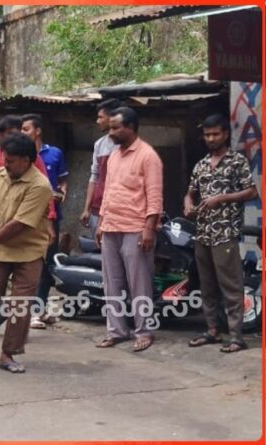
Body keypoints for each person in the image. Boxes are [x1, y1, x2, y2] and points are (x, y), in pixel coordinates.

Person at [0, 133, 52, 373]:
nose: (5, 164)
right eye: (5, 159)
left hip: (28, 252)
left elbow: (19, 224)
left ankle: (8, 354)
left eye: (11, 160)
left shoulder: (40, 185)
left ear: (26, 160)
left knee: (19, 305)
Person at [185, 114, 258, 353]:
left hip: (225, 233)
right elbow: (190, 191)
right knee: (207, 286)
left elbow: (251, 192)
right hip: (203, 232)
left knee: (231, 286)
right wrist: (188, 203)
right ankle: (213, 330)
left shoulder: (236, 161)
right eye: (207, 135)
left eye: (215, 134)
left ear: (225, 134)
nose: (211, 138)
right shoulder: (202, 164)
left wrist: (222, 198)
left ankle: (237, 336)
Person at [95, 107, 162, 352]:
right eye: (110, 127)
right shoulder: (114, 156)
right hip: (111, 225)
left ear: (131, 127)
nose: (110, 132)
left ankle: (144, 331)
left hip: (135, 227)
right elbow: (108, 191)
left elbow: (154, 196)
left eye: (115, 128)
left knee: (139, 283)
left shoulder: (148, 156)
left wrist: (149, 229)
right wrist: (102, 222)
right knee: (111, 283)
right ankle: (117, 331)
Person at [21, 114, 68, 329]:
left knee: (48, 264)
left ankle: (40, 308)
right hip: (29, 218)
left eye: (26, 129)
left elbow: (62, 182)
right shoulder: (21, 156)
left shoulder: (54, 153)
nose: (23, 133)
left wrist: (62, 193)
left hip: (52, 216)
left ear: (37, 131)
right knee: (32, 264)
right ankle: (32, 311)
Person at [80, 99, 121, 237]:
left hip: (118, 209)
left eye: (100, 117)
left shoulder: (125, 146)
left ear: (112, 118)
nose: (97, 121)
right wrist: (87, 208)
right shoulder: (99, 144)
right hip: (97, 207)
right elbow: (94, 176)